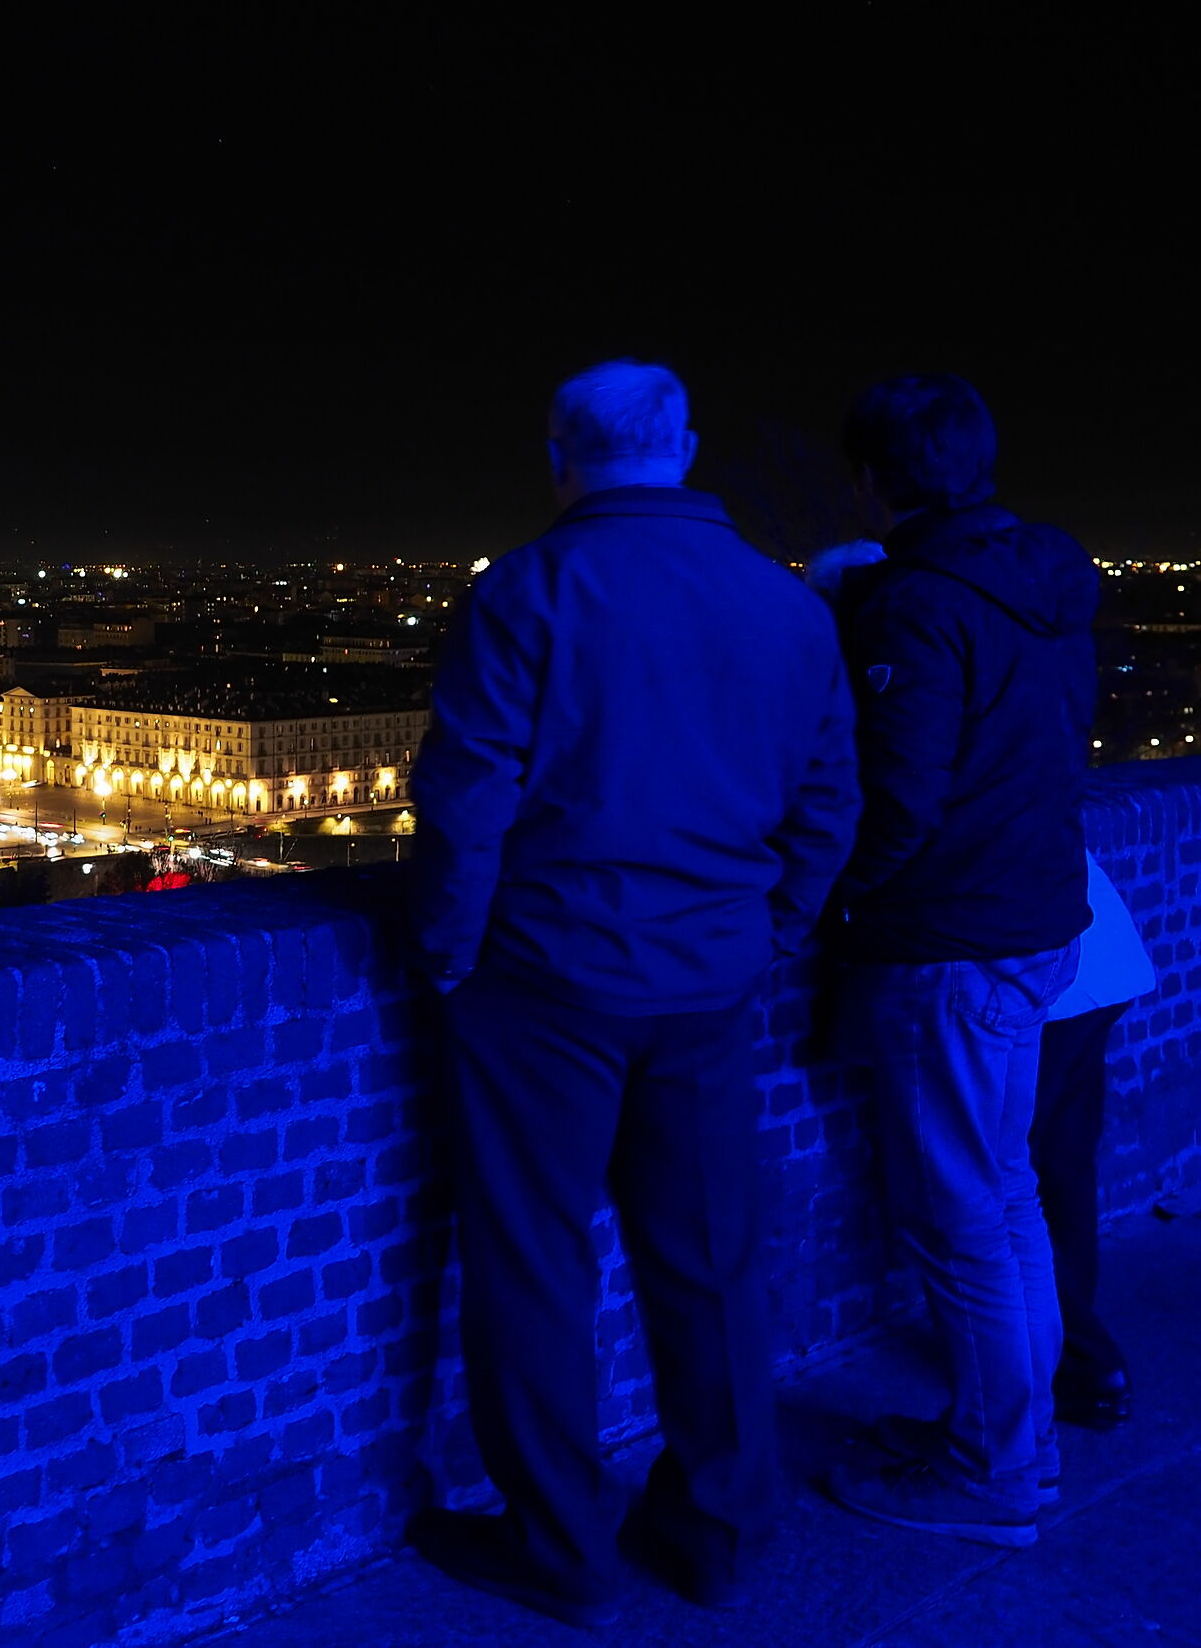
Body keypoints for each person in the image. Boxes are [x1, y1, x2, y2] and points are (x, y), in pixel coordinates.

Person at [407, 360, 859, 1627]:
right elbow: (831, 802)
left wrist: (449, 947)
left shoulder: (532, 590)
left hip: (547, 975)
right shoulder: (784, 606)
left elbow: (466, 800)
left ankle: (561, 1545)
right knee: (712, 1258)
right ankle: (717, 1527)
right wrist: (767, 928)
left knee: (533, 1258)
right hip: (711, 976)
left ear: (560, 453)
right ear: (686, 445)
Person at [818, 373, 1098, 1548]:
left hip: (948, 943)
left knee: (962, 1218)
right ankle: (1006, 1442)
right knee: (1007, 1200)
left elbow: (902, 797)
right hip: (1031, 923)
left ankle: (995, 1470)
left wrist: (835, 905)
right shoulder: (1045, 580)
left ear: (880, 475)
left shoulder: (917, 601)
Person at [1036, 852, 1155, 1429]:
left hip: (1057, 976)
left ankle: (1087, 1359)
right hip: (1100, 964)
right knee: (1063, 1170)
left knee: (1015, 1184)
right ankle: (1069, 1349)